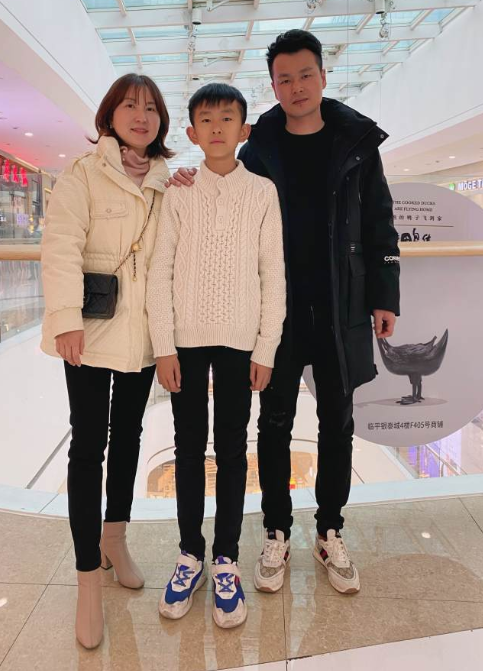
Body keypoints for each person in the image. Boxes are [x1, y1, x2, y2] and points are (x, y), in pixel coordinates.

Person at [169, 30, 400, 597]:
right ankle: (276, 529)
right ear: (273, 86)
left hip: (342, 306)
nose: (296, 87)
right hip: (277, 311)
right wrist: (183, 176)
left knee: (337, 422)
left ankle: (329, 530)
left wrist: (384, 295)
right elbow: (225, 190)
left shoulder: (356, 142)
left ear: (322, 76)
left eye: (305, 75)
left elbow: (380, 222)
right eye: (284, 79)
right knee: (273, 423)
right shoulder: (259, 145)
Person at [146, 83, 286, 628]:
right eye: (206, 119)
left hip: (239, 341)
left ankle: (226, 557)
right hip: (185, 341)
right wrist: (163, 346)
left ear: (244, 129)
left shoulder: (263, 192)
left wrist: (266, 347)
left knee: (231, 448)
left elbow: (273, 274)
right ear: (191, 132)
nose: (217, 127)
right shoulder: (178, 192)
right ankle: (190, 555)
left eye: (228, 118)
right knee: (187, 449)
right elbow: (160, 270)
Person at [41, 73, 173, 649]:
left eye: (151, 108)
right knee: (88, 444)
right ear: (110, 116)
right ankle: (87, 579)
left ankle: (114, 538)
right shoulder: (83, 173)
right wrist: (65, 316)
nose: (141, 116)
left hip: (141, 335)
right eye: (130, 106)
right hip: (90, 334)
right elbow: (61, 246)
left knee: (130, 438)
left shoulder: (168, 182)